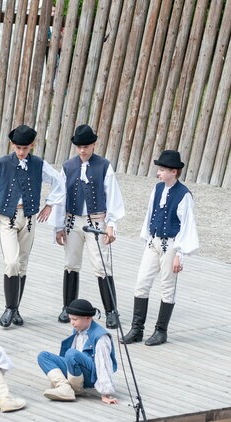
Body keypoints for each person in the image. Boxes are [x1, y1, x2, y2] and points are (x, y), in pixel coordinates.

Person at [0, 124, 65, 327]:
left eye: (25, 148)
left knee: (22, 264)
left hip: (29, 218)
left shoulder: (39, 164)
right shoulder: (3, 163)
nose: (21, 152)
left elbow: (59, 182)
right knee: (11, 262)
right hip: (8, 218)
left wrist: (49, 205)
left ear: (31, 146)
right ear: (12, 145)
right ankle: (9, 308)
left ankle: (16, 309)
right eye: (17, 148)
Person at [121, 150, 199, 346]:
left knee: (167, 286)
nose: (159, 173)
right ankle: (137, 329)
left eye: (162, 170)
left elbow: (187, 226)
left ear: (174, 171)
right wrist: (148, 238)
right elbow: (150, 214)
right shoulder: (157, 189)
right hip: (153, 241)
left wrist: (179, 255)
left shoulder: (184, 195)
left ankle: (161, 331)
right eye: (159, 169)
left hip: (171, 244)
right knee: (142, 282)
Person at [53, 125, 125, 329]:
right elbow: (60, 197)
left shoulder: (104, 166)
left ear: (94, 144)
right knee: (71, 263)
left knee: (102, 265)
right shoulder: (68, 166)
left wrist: (111, 224)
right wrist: (58, 226)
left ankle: (111, 311)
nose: (82, 150)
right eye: (79, 147)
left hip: (96, 220)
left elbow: (112, 195)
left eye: (86, 146)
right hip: (72, 220)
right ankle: (68, 307)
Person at [37, 299, 118, 404]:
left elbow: (104, 364)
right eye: (70, 319)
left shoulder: (101, 336)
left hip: (91, 375)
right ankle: (64, 387)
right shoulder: (78, 329)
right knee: (43, 356)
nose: (72, 323)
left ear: (87, 318)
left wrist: (106, 393)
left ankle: (76, 389)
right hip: (76, 370)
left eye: (75, 319)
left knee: (72, 353)